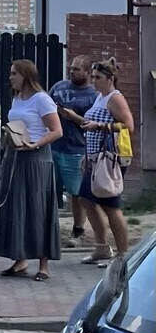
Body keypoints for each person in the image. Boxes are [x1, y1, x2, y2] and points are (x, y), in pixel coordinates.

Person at [0, 60, 63, 281]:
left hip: (36, 160)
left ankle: (43, 264)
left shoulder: (41, 99)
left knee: (38, 208)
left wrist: (36, 144)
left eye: (14, 74)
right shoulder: (17, 98)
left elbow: (56, 130)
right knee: (17, 206)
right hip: (17, 156)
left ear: (26, 75)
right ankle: (20, 259)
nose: (10, 77)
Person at [78, 57, 136, 264]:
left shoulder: (115, 98)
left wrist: (101, 127)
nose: (94, 81)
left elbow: (128, 126)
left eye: (98, 77)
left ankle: (122, 255)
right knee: (86, 198)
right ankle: (101, 246)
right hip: (95, 158)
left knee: (111, 204)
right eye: (92, 77)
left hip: (110, 159)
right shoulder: (100, 97)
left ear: (110, 79)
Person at [48, 55, 98, 245]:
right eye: (71, 68)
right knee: (49, 188)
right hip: (53, 145)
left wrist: (73, 117)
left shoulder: (93, 95)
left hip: (76, 149)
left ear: (86, 72)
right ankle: (49, 228)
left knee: (76, 193)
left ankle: (78, 231)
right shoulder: (59, 87)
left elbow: (94, 124)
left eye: (76, 69)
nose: (72, 71)